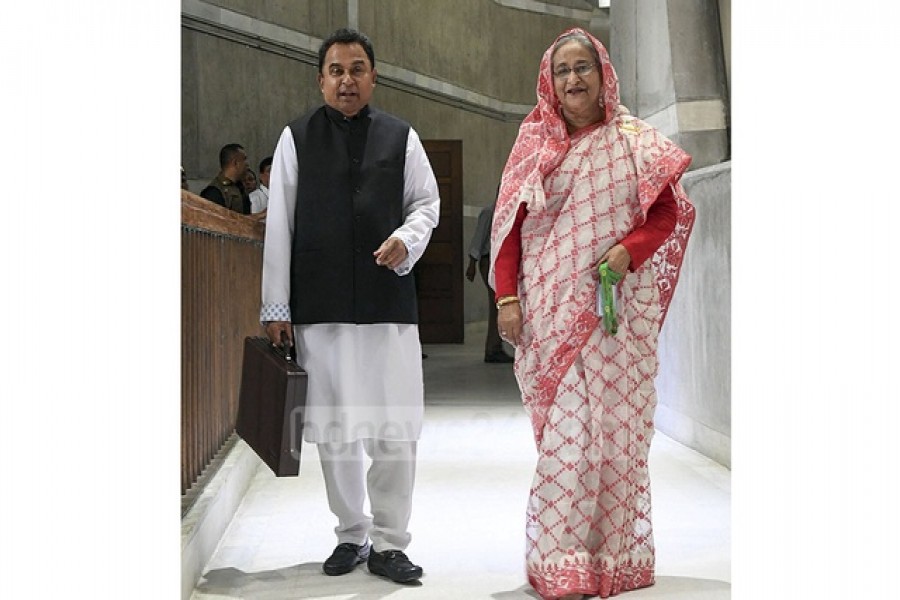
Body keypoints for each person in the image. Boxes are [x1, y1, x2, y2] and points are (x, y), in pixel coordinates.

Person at [490, 28, 695, 600]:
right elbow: (508, 231)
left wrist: (626, 252)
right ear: (548, 82)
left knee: (610, 436)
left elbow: (665, 216)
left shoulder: (634, 142)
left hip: (612, 316)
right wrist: (508, 298)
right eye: (563, 71)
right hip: (550, 309)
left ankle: (607, 555)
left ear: (604, 75)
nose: (573, 79)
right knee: (569, 437)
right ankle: (560, 560)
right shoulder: (534, 144)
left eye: (584, 68)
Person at [259, 27, 440, 585]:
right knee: (336, 430)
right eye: (336, 70)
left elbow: (426, 205)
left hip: (388, 307)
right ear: (320, 79)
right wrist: (276, 309)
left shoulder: (401, 136)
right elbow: (280, 227)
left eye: (357, 68)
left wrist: (407, 241)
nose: (346, 80)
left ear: (373, 76)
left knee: (394, 429)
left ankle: (390, 542)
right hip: (321, 305)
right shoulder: (295, 139)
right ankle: (351, 534)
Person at [465, 198, 513, 363]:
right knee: (497, 305)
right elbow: (478, 239)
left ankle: (495, 346)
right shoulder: (489, 212)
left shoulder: (508, 210)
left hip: (499, 260)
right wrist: (472, 263)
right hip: (488, 260)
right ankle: (493, 349)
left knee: (498, 305)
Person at [200, 143, 251, 214]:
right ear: (235, 163)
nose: (247, 164)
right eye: (244, 159)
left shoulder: (240, 186)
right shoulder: (213, 193)